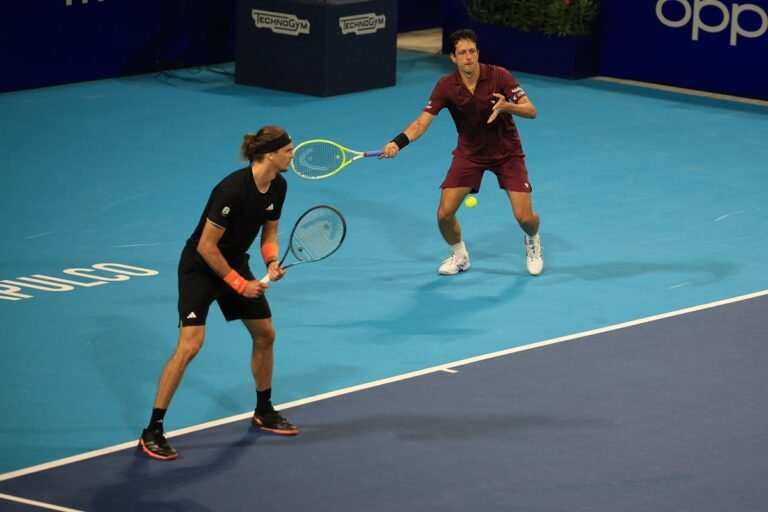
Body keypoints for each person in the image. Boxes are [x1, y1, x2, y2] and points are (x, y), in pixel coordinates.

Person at [138, 126, 298, 460]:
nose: (293, 155)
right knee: (190, 346)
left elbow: (269, 234)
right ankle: (153, 428)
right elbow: (207, 247)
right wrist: (240, 284)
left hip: (235, 264)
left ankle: (264, 409)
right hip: (200, 269)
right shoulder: (231, 190)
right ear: (270, 154)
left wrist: (270, 262)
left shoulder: (278, 186)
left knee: (266, 333)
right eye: (288, 150)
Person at [381, 28, 543, 277]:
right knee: (444, 214)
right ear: (453, 58)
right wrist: (397, 143)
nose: (468, 57)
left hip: (507, 153)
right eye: (462, 53)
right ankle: (460, 256)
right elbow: (421, 123)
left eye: (472, 51)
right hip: (470, 154)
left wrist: (507, 107)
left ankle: (532, 240)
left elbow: (531, 111)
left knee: (524, 218)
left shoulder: (499, 76)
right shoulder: (446, 86)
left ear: (477, 52)